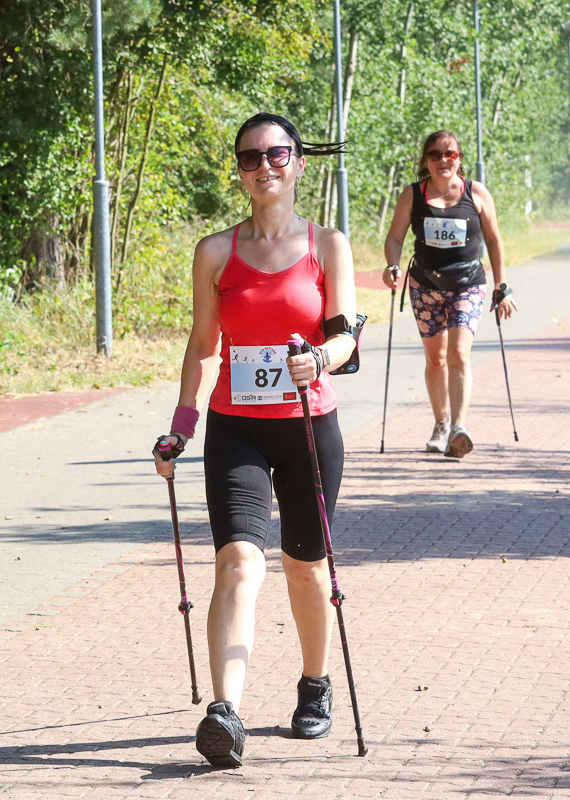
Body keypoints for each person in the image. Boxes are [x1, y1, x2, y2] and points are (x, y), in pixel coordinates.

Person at [153, 112, 358, 769]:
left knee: (305, 568)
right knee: (240, 561)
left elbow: (347, 333)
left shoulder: (329, 245)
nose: (264, 166)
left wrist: (322, 359)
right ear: (238, 171)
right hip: (236, 430)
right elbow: (202, 345)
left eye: (277, 154)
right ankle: (225, 713)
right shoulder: (216, 251)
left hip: (307, 427)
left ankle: (315, 685)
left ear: (298, 163)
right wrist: (181, 428)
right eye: (250, 157)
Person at [383, 129, 517, 457]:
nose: (443, 160)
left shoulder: (477, 193)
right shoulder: (412, 194)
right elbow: (395, 238)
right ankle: (441, 423)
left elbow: (495, 241)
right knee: (435, 358)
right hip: (425, 286)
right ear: (425, 160)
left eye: (450, 154)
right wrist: (392, 265)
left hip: (468, 283)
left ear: (459, 159)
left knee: (458, 353)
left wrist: (501, 286)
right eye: (435, 154)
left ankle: (459, 427)